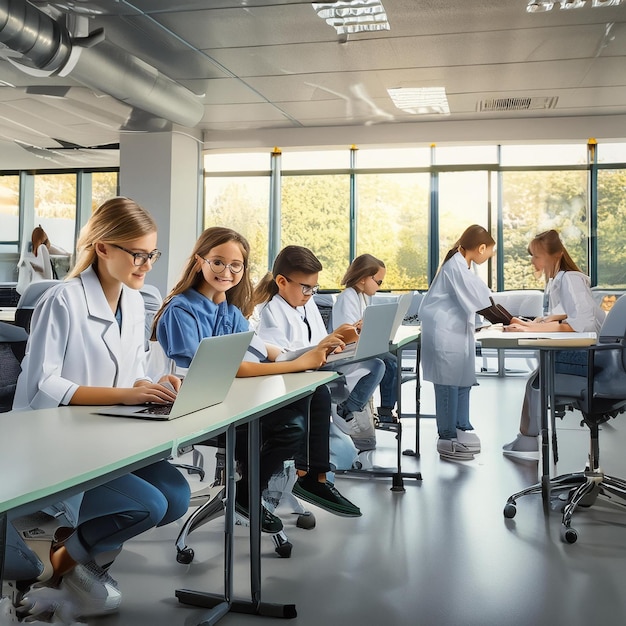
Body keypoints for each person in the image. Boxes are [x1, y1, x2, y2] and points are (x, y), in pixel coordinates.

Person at [11, 197, 191, 621]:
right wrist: (126, 395)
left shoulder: (134, 300)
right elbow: (45, 384)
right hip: (57, 441)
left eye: (152, 254)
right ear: (104, 247)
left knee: (177, 496)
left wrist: (151, 384)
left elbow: (129, 373)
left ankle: (62, 561)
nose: (146, 264)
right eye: (137, 254)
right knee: (148, 504)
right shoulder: (63, 300)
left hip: (106, 434)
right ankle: (52, 568)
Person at [153, 227, 361, 520]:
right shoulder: (182, 309)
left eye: (235, 265)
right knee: (291, 426)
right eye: (218, 262)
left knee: (316, 393)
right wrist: (300, 364)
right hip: (197, 407)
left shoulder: (230, 310)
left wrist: (321, 348)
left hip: (230, 399)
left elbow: (266, 350)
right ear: (200, 261)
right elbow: (227, 367)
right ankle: (252, 492)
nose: (227, 271)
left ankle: (313, 478)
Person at [252, 245, 385, 452]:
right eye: (306, 287)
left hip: (320, 363)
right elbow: (282, 357)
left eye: (314, 288)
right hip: (301, 373)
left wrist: (340, 339)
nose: (310, 294)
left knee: (376, 364)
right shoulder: (272, 310)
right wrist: (322, 348)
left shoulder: (307, 303)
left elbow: (320, 339)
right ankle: (345, 415)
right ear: (281, 282)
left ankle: (345, 412)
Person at [502, 229, 605, 459]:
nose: (533, 261)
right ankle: (527, 438)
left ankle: (530, 440)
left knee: (538, 376)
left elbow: (581, 324)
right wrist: (530, 325)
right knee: (536, 376)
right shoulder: (558, 280)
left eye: (537, 256)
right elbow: (563, 317)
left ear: (556, 254)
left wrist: (529, 328)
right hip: (588, 351)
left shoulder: (570, 278)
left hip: (592, 355)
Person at [418, 225, 495, 461]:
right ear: (480, 248)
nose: (490, 256)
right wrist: (507, 318)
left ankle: (461, 427)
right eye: (490, 252)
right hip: (444, 332)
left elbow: (477, 297)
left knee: (462, 380)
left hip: (455, 332)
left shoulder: (463, 265)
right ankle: (447, 436)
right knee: (448, 383)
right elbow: (482, 298)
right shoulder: (456, 267)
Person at [332, 253, 398, 423]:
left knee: (392, 359)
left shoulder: (362, 296)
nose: (379, 286)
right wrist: (360, 327)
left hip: (358, 347)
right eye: (378, 282)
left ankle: (385, 411)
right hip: (345, 352)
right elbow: (346, 334)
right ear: (363, 278)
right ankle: (348, 409)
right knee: (386, 363)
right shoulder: (347, 297)